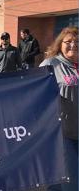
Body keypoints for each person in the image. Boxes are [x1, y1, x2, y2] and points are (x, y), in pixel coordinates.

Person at [39, 26, 78, 191]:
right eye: (68, 41)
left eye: (77, 42)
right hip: (62, 132)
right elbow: (34, 91)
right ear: (60, 44)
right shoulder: (51, 63)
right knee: (70, 179)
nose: (73, 45)